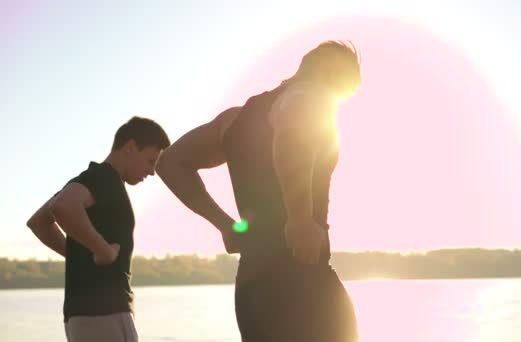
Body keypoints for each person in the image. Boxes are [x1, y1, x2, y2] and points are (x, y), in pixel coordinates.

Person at [156, 40, 361, 341]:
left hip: (252, 285)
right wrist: (299, 218)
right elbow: (292, 132)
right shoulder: (310, 96)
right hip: (300, 279)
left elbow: (170, 162)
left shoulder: (234, 119)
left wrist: (225, 224)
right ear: (331, 76)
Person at [26, 116, 170, 342]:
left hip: (81, 315)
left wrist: (77, 252)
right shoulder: (105, 178)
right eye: (150, 160)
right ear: (130, 148)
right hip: (106, 313)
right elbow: (62, 207)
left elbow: (40, 222)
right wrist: (102, 249)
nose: (152, 171)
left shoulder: (88, 179)